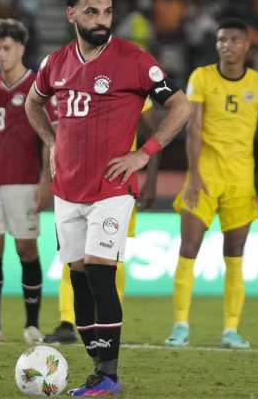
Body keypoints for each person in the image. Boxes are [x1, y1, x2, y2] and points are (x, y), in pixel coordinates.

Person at [24, 0, 191, 396]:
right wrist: (52, 142)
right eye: (92, 11)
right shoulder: (55, 63)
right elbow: (33, 103)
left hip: (112, 188)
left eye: (107, 11)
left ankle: (110, 376)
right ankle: (99, 369)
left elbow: (181, 107)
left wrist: (143, 154)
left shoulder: (134, 59)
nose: (102, 19)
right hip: (67, 190)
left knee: (101, 272)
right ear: (71, 14)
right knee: (79, 280)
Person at [164, 18, 258, 350]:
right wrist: (194, 174)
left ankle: (230, 330)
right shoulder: (201, 77)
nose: (226, 45)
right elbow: (193, 127)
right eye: (221, 40)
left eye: (234, 39)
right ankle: (180, 326)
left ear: (247, 45)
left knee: (234, 254)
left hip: (240, 181)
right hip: (204, 178)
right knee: (188, 248)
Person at [42, 98, 161, 345]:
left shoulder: (135, 88)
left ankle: (108, 322)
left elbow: (156, 132)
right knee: (73, 256)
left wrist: (150, 179)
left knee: (112, 258)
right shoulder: (78, 84)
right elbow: (57, 127)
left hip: (116, 186)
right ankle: (67, 322)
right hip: (77, 183)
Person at [0, 18, 54, 345]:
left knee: (25, 248)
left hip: (25, 180)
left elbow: (50, 138)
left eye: (6, 48)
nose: (1, 54)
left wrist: (46, 180)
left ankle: (32, 325)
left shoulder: (37, 87)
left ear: (21, 48)